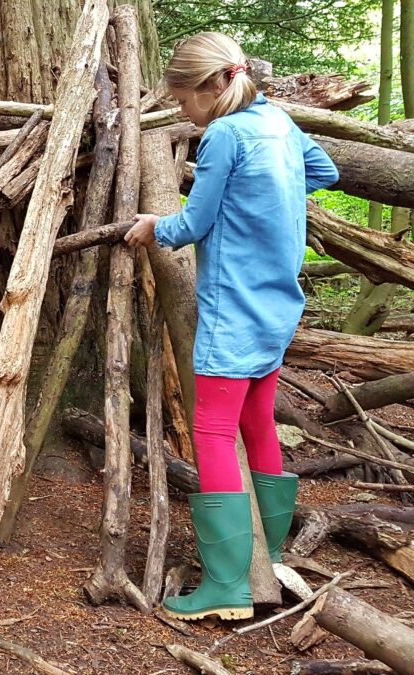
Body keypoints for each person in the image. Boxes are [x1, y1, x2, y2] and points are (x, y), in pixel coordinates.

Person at [125, 32, 338, 621]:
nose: (185, 117)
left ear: (213, 87)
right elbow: (326, 170)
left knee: (212, 430)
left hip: (233, 305)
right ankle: (265, 550)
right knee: (256, 419)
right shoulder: (277, 122)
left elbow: (193, 222)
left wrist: (152, 226)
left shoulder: (224, 135)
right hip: (277, 303)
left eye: (185, 103)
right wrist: (272, 198)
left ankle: (227, 583)